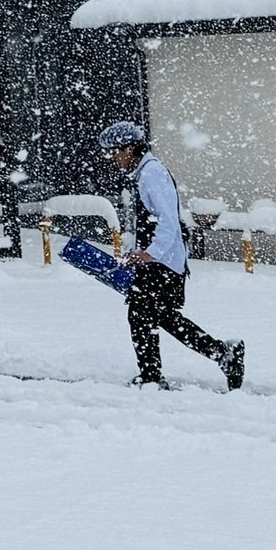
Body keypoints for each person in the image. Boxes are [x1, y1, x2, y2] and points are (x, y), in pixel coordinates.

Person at [101, 120, 245, 391]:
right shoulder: (145, 173)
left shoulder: (152, 173)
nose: (112, 158)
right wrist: (139, 252)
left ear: (130, 148)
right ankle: (222, 355)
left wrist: (150, 254)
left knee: (142, 315)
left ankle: (153, 376)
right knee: (160, 316)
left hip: (163, 264)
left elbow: (168, 221)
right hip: (162, 262)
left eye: (115, 152)